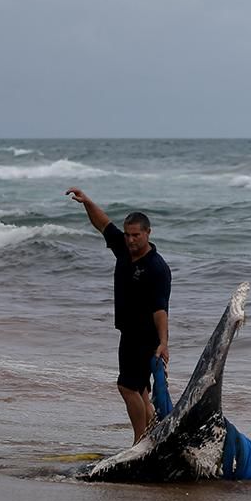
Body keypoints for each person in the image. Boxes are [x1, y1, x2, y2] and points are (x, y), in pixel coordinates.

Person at [66, 188, 172, 444]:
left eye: (136, 235)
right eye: (127, 234)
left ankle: (139, 441)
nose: (131, 240)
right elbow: (102, 223)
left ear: (148, 233)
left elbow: (161, 309)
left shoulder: (156, 268)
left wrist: (163, 343)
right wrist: (87, 202)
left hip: (143, 336)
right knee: (141, 391)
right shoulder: (124, 250)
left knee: (127, 387)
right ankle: (152, 439)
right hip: (128, 331)